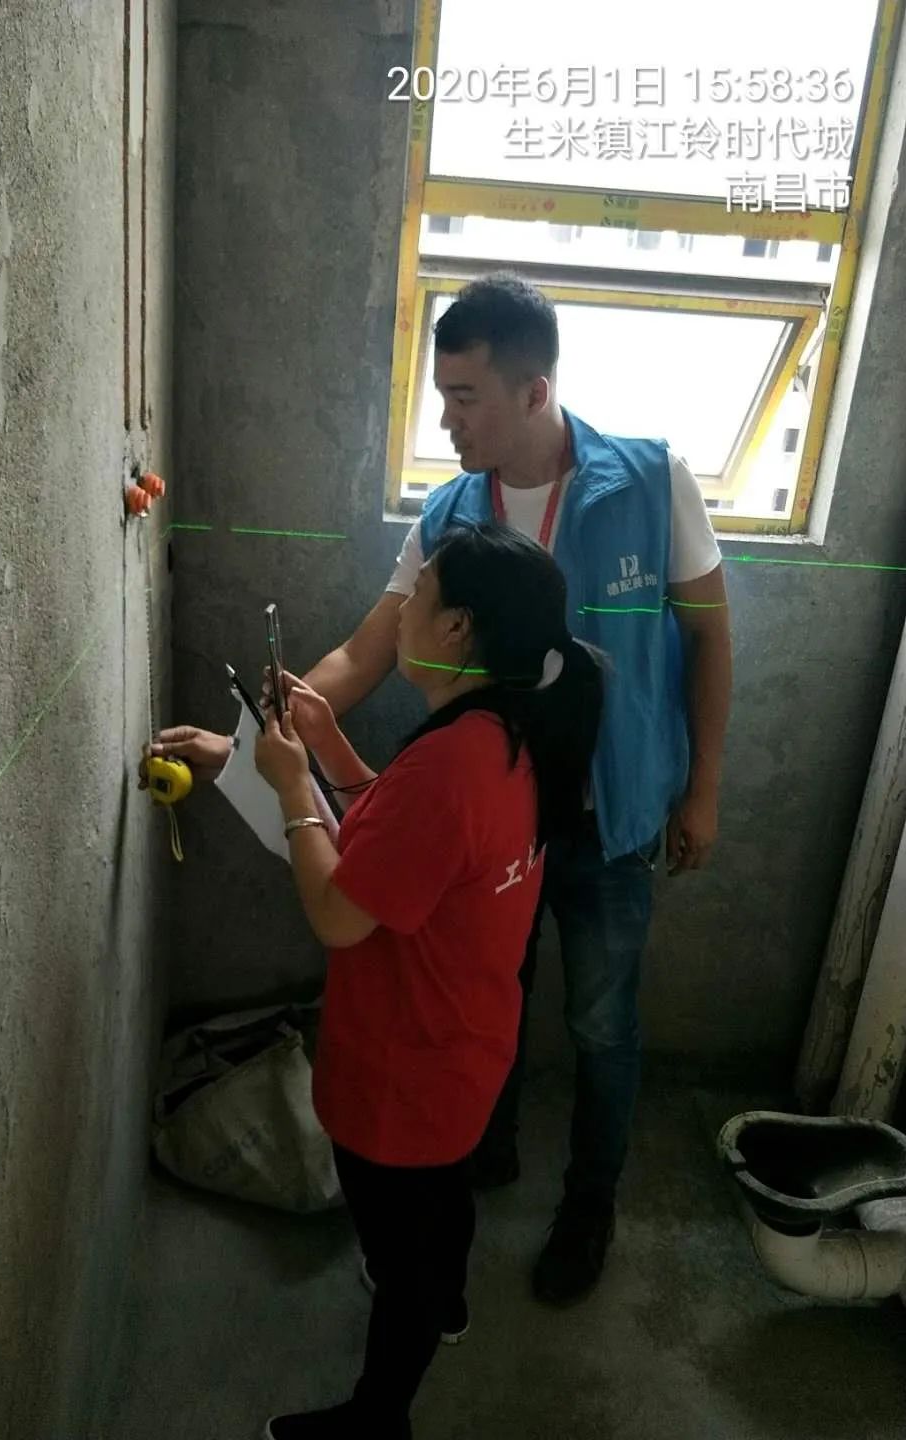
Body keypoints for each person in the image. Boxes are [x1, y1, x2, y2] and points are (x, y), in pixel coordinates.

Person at [146, 273, 733, 1306]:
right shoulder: (453, 513)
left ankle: (589, 1206)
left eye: (465, 397)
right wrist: (261, 734)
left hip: (609, 816)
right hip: (492, 826)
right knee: (488, 999)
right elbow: (362, 655)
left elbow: (710, 640)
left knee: (603, 1023)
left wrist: (703, 791)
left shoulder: (653, 481)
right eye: (442, 395)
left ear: (534, 392)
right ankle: (481, 1152)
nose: (447, 420)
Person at [250, 522, 604, 1440]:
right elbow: (411, 840)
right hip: (464, 1048)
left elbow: (340, 913)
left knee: (400, 1253)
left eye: (421, 591)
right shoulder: (502, 733)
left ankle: (379, 1419)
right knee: (439, 1206)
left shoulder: (451, 762)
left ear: (457, 629)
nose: (402, 606)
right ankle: (445, 1300)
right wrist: (326, 743)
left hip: (403, 1067)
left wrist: (290, 790)